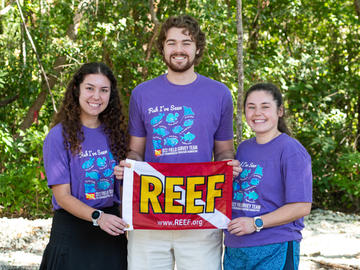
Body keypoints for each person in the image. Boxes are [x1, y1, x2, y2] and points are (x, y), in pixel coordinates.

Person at [114, 14, 240, 270]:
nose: (179, 49)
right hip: (150, 213)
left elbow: (224, 149)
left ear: (198, 47)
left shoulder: (220, 94)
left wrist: (228, 165)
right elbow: (136, 151)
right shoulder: (142, 93)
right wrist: (129, 166)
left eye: (186, 42)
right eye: (171, 43)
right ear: (162, 48)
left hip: (201, 214)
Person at [40, 62, 128, 270]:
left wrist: (125, 175)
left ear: (111, 95)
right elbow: (62, 196)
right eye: (90, 88)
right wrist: (98, 217)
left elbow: (123, 191)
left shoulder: (117, 134)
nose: (96, 96)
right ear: (76, 90)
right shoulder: (58, 136)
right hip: (73, 232)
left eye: (104, 90)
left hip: (111, 233)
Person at [224, 82, 313, 270]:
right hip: (236, 248)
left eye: (265, 107)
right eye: (251, 107)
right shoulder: (244, 148)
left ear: (280, 111)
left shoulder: (291, 150)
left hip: (274, 246)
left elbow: (302, 206)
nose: (257, 113)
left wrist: (256, 223)